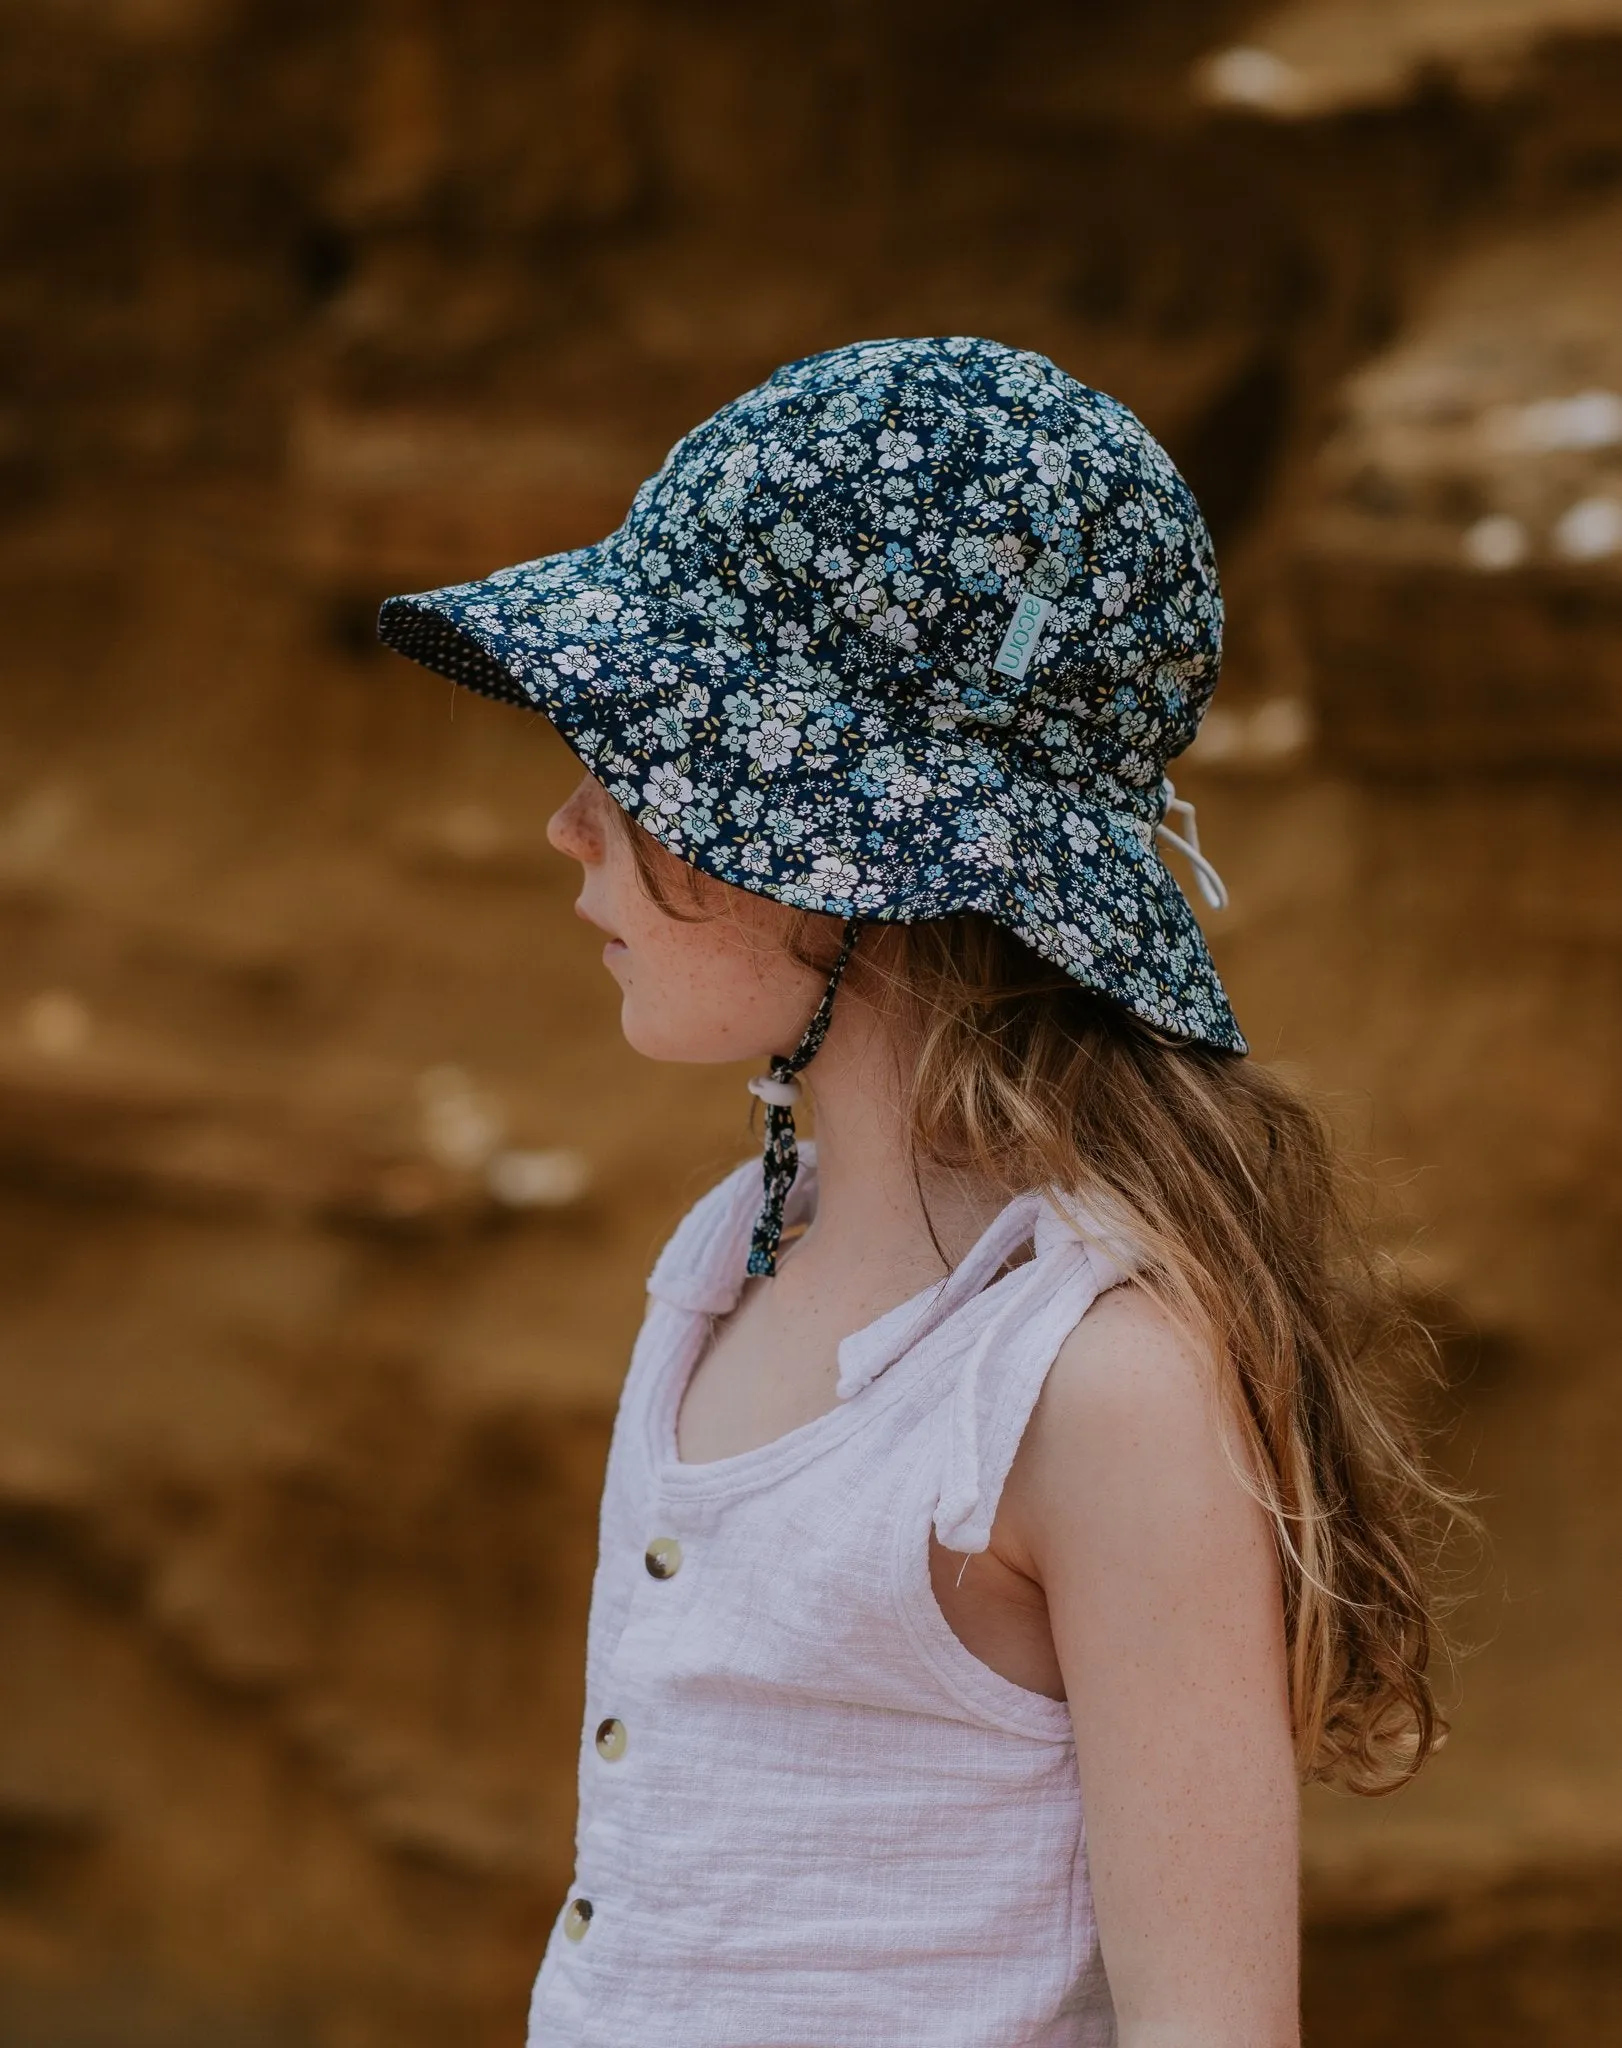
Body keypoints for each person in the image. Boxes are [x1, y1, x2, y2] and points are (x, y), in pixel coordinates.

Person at [379, 337, 1455, 2048]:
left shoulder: (1089, 1387)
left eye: (648, 759)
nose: (569, 826)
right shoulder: (736, 1257)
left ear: (855, 849)